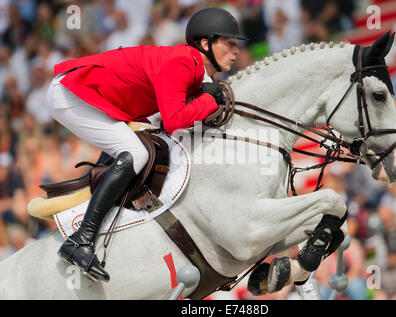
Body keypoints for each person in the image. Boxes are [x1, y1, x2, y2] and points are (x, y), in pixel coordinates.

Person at [46, 7, 246, 282]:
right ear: (205, 44)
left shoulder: (199, 73)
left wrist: (207, 98)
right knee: (135, 153)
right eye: (230, 43)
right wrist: (209, 100)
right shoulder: (182, 62)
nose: (236, 51)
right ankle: (81, 239)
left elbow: (170, 121)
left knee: (138, 150)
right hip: (71, 93)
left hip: (103, 101)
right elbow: (174, 120)